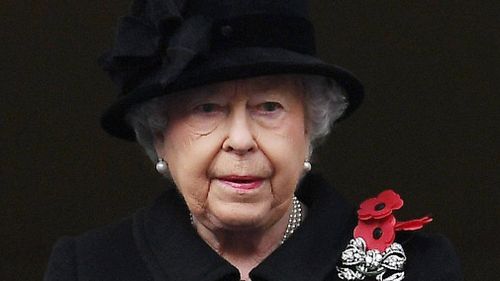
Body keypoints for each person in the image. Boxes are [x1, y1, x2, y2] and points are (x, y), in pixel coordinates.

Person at [45, 0, 463, 280]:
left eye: (269, 107)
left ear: (311, 127)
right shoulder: (88, 268)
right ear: (160, 135)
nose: (241, 140)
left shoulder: (415, 267)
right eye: (207, 108)